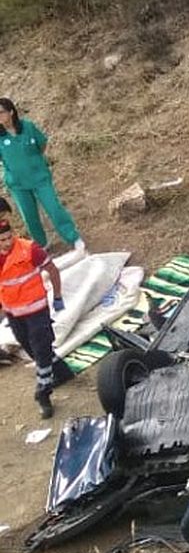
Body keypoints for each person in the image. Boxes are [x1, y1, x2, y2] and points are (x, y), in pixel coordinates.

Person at [0, 220, 66, 418]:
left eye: (9, 236)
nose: (7, 242)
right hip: (14, 313)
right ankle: (62, 371)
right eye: (2, 239)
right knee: (31, 348)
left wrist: (57, 297)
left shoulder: (30, 250)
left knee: (39, 345)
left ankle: (43, 391)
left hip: (37, 309)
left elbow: (53, 270)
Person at [0, 99, 83, 251]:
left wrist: (34, 162)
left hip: (40, 178)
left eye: (1, 112)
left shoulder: (27, 127)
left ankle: (73, 237)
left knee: (54, 208)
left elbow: (42, 144)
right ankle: (42, 245)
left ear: (11, 112)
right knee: (30, 217)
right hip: (18, 184)